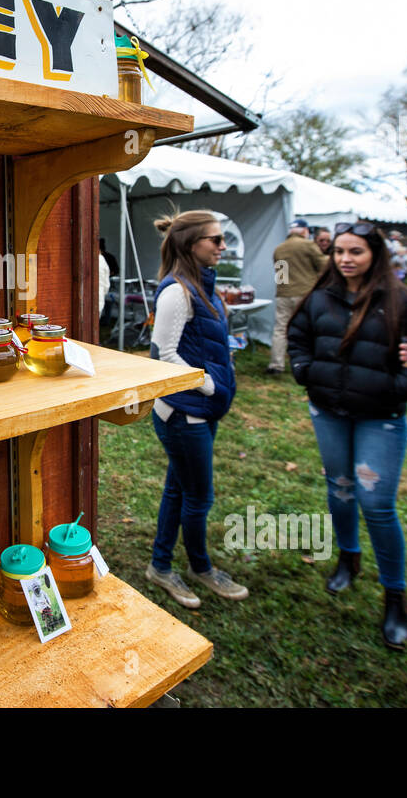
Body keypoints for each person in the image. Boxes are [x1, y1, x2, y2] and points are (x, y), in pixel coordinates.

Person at [287, 221, 407, 648]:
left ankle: (396, 595)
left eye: (355, 251)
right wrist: (306, 372)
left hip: (381, 417)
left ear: (375, 254)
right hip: (330, 412)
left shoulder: (405, 302)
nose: (345, 259)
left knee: (376, 502)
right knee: (339, 489)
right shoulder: (321, 297)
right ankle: (348, 557)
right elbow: (297, 338)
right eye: (339, 251)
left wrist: (397, 389)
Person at [145, 210, 247, 608]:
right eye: (216, 240)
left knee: (179, 489)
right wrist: (209, 384)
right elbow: (162, 354)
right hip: (183, 413)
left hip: (201, 411)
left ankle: (160, 566)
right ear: (191, 245)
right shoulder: (177, 291)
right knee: (199, 497)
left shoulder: (205, 287)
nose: (223, 247)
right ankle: (201, 568)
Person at [267, 218, 327, 376]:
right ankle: (313, 363)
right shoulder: (308, 245)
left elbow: (281, 275)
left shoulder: (279, 248)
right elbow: (324, 266)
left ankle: (276, 365)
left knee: (280, 329)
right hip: (306, 294)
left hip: (284, 293)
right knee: (310, 328)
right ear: (305, 231)